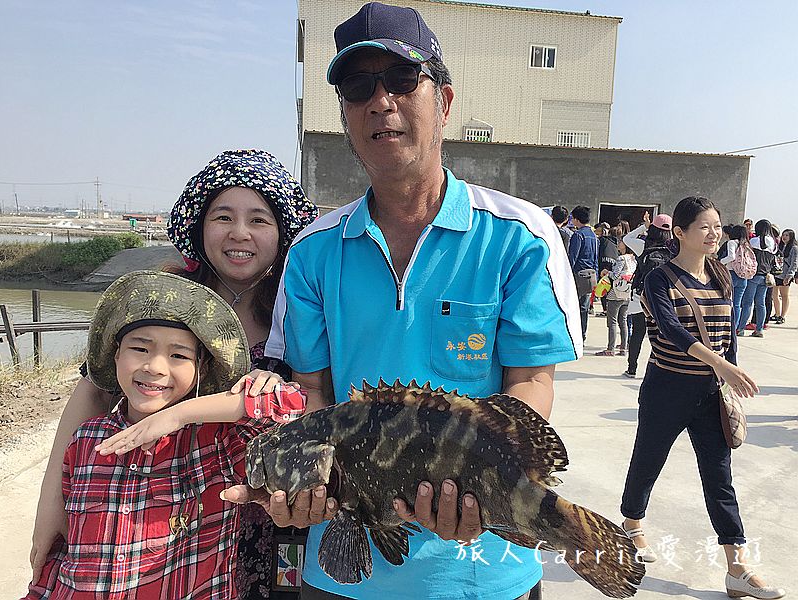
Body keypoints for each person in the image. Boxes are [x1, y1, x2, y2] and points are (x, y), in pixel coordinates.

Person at [229, 4, 582, 599]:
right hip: (343, 576)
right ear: (344, 115)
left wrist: (488, 484)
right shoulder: (313, 252)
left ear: (443, 102)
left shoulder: (521, 236)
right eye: (358, 87)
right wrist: (296, 491)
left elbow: (530, 384)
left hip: (481, 572)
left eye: (401, 80)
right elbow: (314, 396)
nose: (380, 101)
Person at [28, 149, 319, 600]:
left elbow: (313, 396)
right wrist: (52, 506)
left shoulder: (301, 301)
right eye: (223, 216)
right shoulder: (164, 298)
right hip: (172, 511)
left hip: (269, 508)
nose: (239, 233)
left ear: (282, 234)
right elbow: (92, 394)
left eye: (259, 220)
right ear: (199, 226)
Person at [23, 270, 305, 598]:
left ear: (201, 368)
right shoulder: (86, 439)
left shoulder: (217, 441)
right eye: (140, 349)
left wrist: (178, 415)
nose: (155, 366)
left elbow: (288, 405)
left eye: (178, 356)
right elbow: (65, 554)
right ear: (116, 355)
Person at [619, 197, 784, 599]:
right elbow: (672, 330)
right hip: (667, 389)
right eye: (704, 227)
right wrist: (721, 365)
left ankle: (737, 568)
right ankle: (632, 522)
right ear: (679, 233)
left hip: (710, 393)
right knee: (648, 461)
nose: (714, 234)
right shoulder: (661, 278)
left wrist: (730, 375)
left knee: (720, 478)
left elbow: (726, 335)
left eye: (717, 225)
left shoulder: (722, 277)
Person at [622, 212, 673, 378]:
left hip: (640, 296)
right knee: (661, 335)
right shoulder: (674, 248)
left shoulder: (644, 245)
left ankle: (632, 368)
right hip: (663, 298)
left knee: (638, 333)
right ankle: (660, 369)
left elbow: (626, 239)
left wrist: (644, 226)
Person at [595, 230, 635, 356]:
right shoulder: (633, 259)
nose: (619, 243)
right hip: (627, 293)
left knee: (611, 321)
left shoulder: (621, 258)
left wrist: (607, 272)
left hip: (616, 293)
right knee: (622, 320)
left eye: (622, 242)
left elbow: (616, 275)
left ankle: (610, 348)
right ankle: (623, 348)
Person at [738, 219, 777, 338]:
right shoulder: (773, 243)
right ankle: (759, 329)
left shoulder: (755, 241)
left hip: (753, 275)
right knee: (761, 304)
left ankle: (740, 328)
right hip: (766, 277)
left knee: (747, 303)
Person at [569, 205, 600, 340]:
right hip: (591, 275)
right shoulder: (594, 236)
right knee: (584, 308)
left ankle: (573, 333)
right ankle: (582, 334)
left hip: (578, 275)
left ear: (576, 219)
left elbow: (572, 257)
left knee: (573, 306)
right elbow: (596, 258)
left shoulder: (578, 235)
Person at [719, 224, 756, 332]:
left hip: (732, 274)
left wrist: (720, 262)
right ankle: (736, 328)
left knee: (728, 301)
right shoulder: (747, 245)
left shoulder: (732, 242)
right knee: (737, 304)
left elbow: (731, 257)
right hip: (743, 276)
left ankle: (729, 326)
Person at [772, 228, 796, 324]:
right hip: (777, 273)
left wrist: (790, 275)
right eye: (783, 235)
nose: (784, 237)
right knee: (774, 295)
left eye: (787, 235)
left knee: (784, 295)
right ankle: (777, 314)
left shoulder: (794, 248)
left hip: (786, 275)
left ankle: (782, 315)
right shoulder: (779, 246)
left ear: (791, 237)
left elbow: (794, 263)